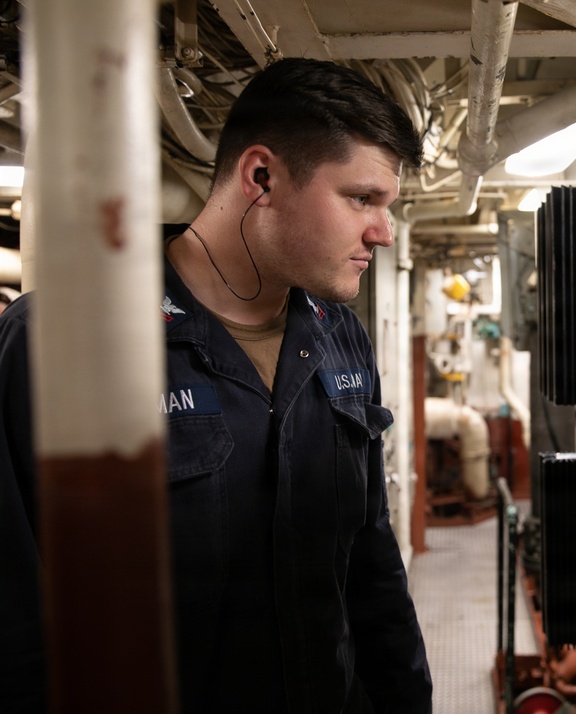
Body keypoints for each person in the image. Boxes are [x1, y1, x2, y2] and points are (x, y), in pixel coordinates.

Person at [0, 58, 432, 713]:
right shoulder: (63, 340)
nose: (383, 231)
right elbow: (13, 616)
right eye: (361, 198)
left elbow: (371, 568)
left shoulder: (340, 336)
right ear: (261, 176)